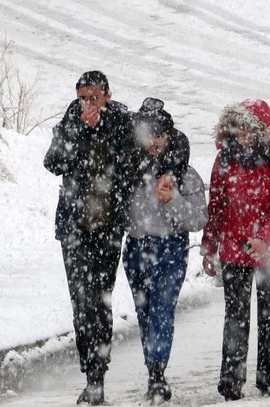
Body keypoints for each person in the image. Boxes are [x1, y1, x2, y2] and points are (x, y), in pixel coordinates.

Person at [43, 71, 135, 405]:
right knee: (81, 304)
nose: (87, 103)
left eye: (93, 97)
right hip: (74, 229)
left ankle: (98, 374)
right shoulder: (71, 121)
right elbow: (53, 162)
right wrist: (80, 128)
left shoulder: (123, 122)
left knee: (100, 301)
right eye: (82, 97)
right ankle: (90, 371)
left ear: (107, 96)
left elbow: (135, 168)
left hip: (108, 228)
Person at [200, 99, 270, 401]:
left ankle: (268, 378)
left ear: (260, 130)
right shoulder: (225, 158)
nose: (241, 134)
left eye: (247, 128)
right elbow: (215, 204)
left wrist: (265, 238)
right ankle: (230, 380)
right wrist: (209, 246)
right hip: (233, 247)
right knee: (235, 315)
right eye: (237, 128)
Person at [122, 98, 207, 403]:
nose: (154, 142)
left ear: (169, 136)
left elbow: (199, 218)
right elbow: (119, 212)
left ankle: (158, 373)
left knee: (162, 310)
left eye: (160, 135)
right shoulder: (129, 169)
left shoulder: (184, 173)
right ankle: (152, 368)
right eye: (148, 135)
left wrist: (173, 200)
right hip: (135, 247)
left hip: (172, 247)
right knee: (145, 312)